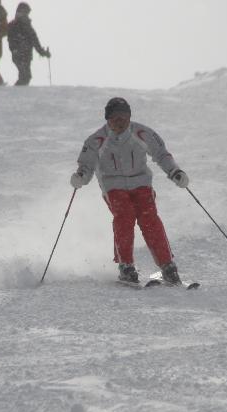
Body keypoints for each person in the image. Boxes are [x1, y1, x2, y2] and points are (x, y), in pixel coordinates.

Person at [70, 98, 190, 285]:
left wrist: (175, 171)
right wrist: (80, 177)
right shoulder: (96, 140)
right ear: (108, 119)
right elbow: (86, 165)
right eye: (115, 117)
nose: (120, 122)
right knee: (124, 216)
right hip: (113, 186)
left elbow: (161, 154)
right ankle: (126, 266)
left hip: (141, 183)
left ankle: (167, 266)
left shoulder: (141, 133)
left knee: (149, 218)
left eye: (124, 117)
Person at [7, 2, 50, 86]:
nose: (26, 14)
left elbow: (35, 41)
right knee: (25, 76)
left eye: (27, 13)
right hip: (19, 54)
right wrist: (15, 50)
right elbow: (11, 40)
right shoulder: (14, 25)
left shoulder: (26, 25)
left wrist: (43, 52)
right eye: (25, 12)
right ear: (19, 11)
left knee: (25, 76)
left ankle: (19, 91)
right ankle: (18, 91)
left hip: (26, 55)